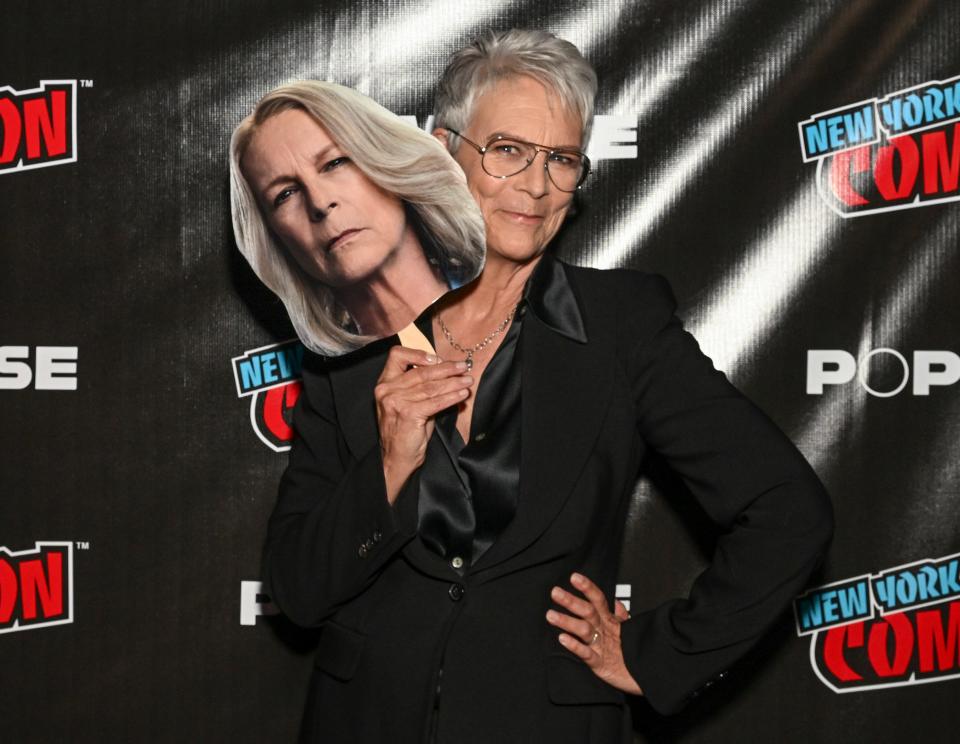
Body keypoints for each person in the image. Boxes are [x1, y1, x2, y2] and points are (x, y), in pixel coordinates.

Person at [262, 31, 834, 744]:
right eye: (507, 151)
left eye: (561, 160)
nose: (536, 186)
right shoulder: (354, 332)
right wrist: (388, 466)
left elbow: (787, 508)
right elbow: (295, 591)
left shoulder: (621, 329)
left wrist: (661, 652)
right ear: (442, 149)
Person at [230, 80, 485, 356]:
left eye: (335, 163)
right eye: (285, 194)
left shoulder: (521, 314)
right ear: (274, 238)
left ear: (388, 160)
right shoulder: (330, 393)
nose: (319, 202)